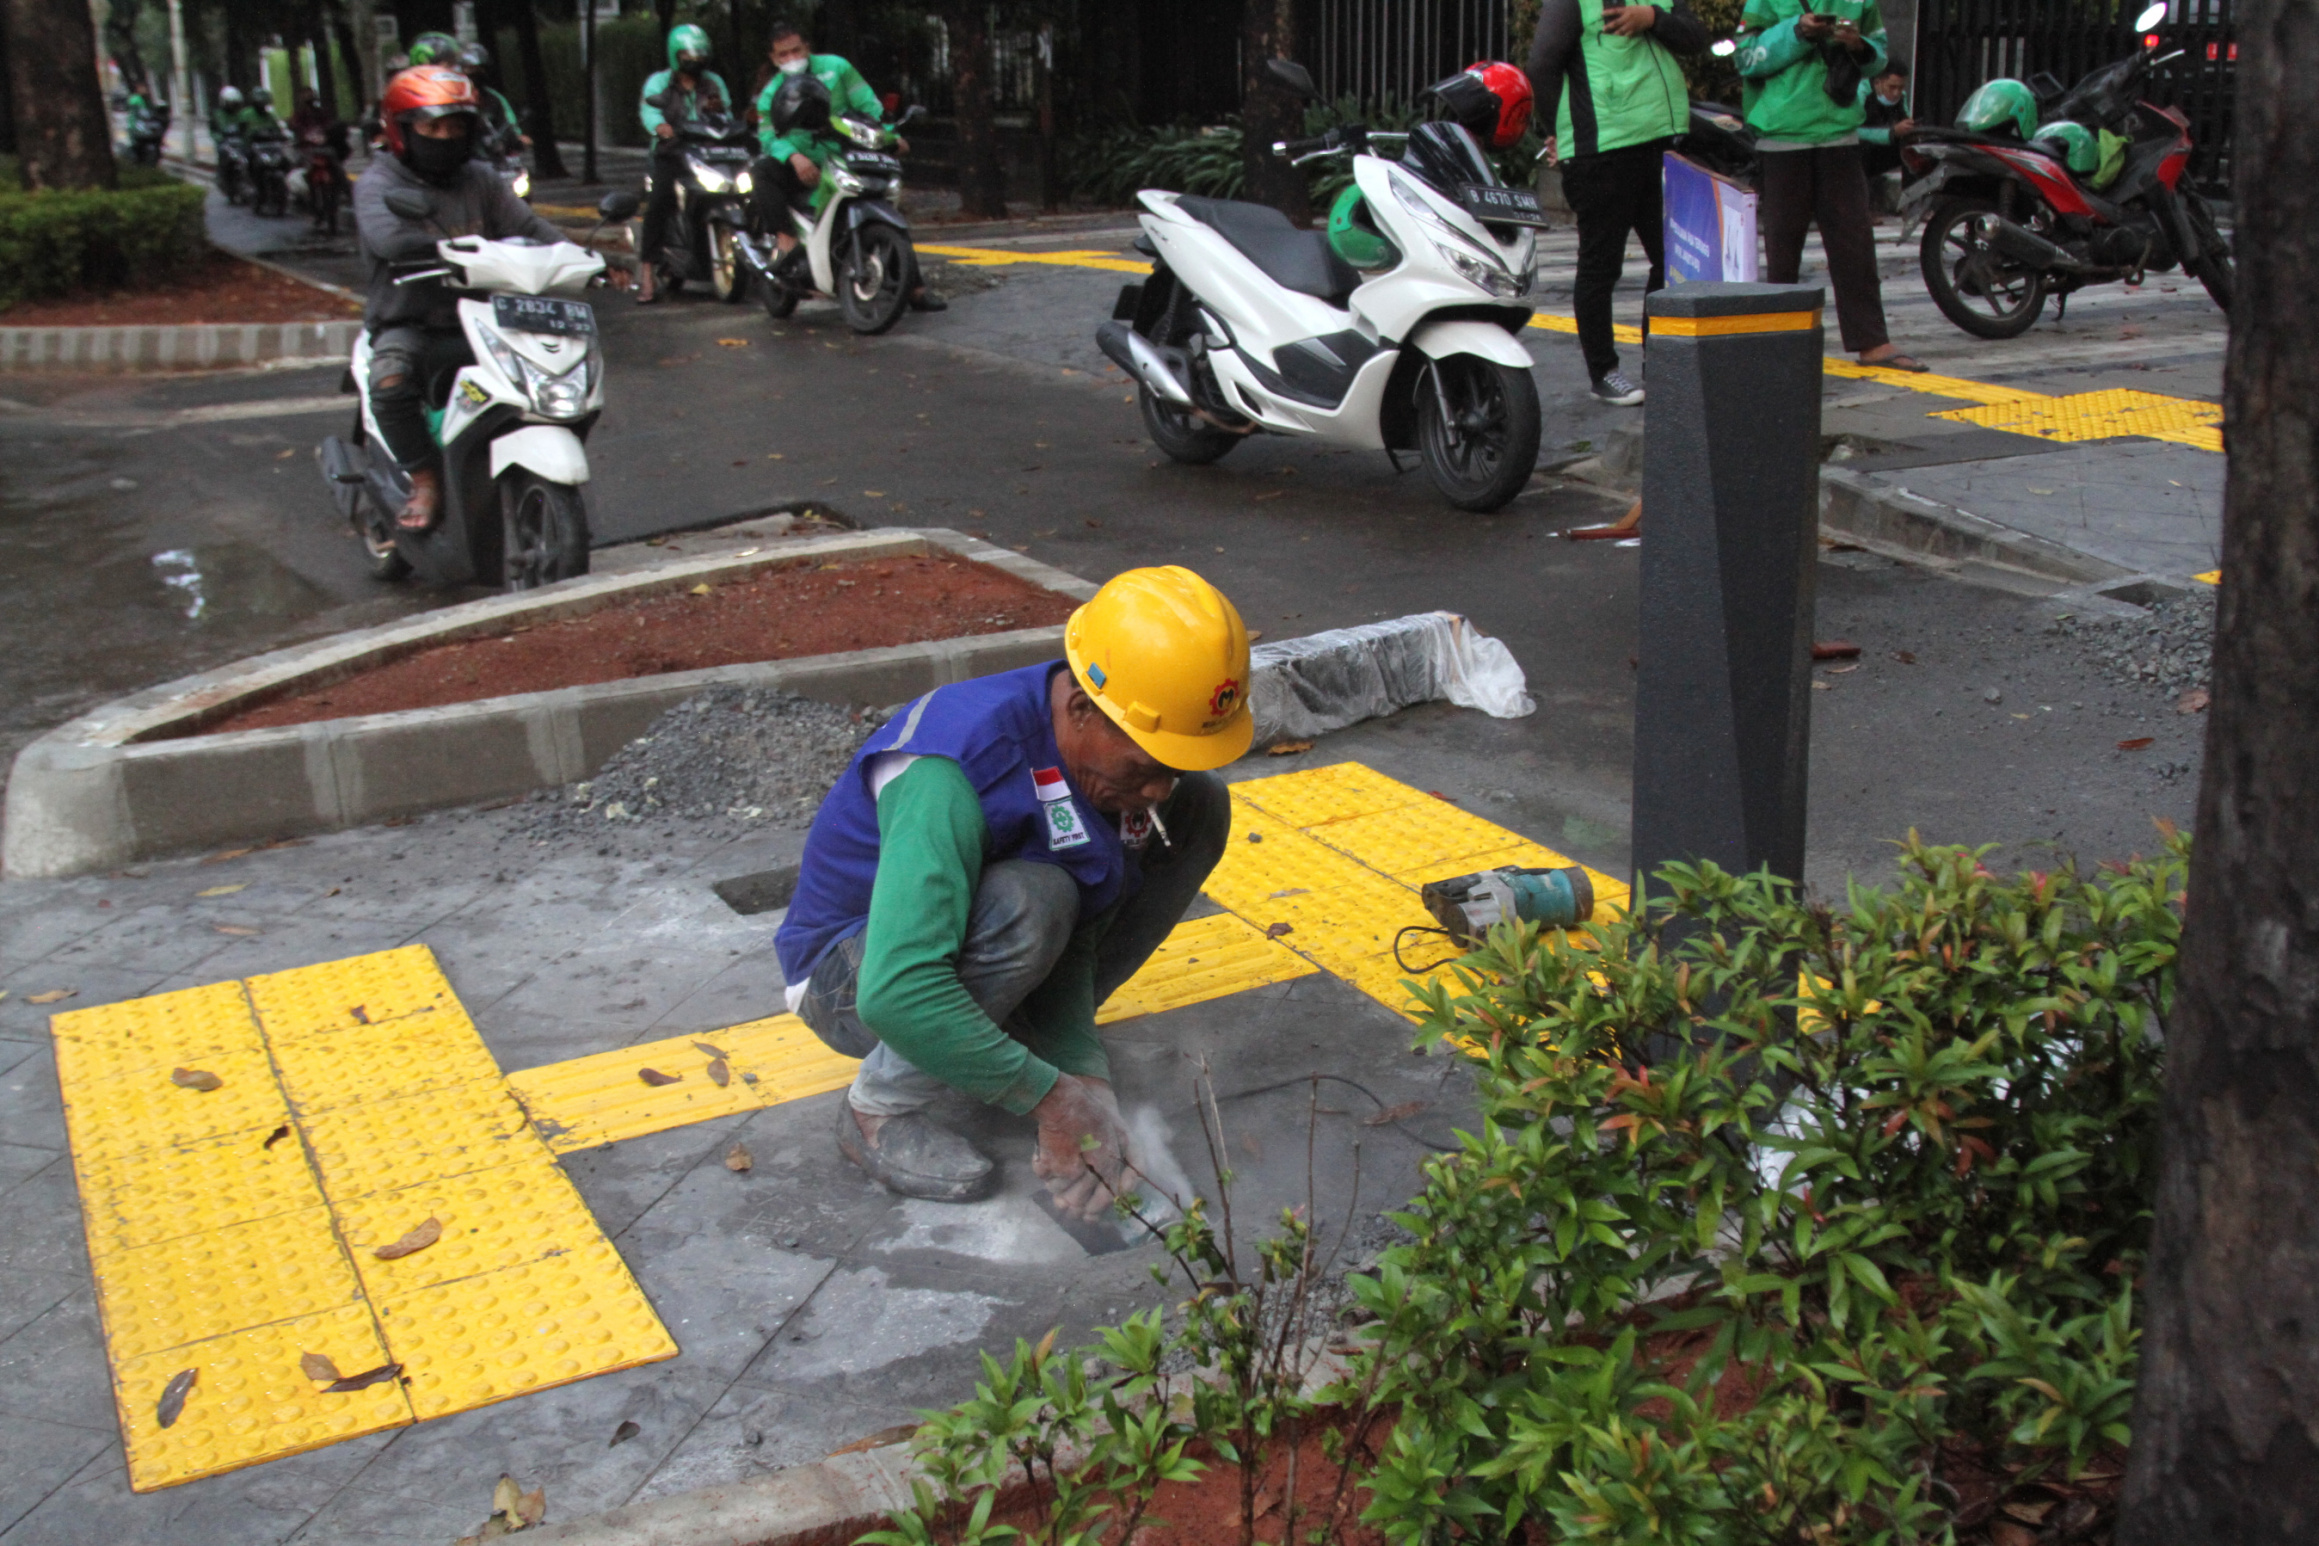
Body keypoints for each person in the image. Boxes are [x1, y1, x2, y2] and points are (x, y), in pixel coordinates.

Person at [776, 566, 1250, 1210]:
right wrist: (1053, 1102)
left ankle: (1007, 1044)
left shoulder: (1097, 749)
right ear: (1082, 708)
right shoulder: (952, 771)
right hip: (851, 978)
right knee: (1035, 899)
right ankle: (877, 1109)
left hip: (967, 941)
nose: (1157, 789)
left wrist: (1089, 1089)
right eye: (1144, 767)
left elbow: (1081, 927)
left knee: (1198, 809)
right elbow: (894, 993)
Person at [353, 66, 564, 531]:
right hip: (411, 320)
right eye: (432, 127)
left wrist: (578, 254)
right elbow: (388, 238)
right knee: (389, 381)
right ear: (402, 129)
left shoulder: (482, 179)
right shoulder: (379, 182)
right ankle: (424, 478)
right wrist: (448, 247)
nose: (445, 136)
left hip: (488, 315)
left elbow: (528, 227)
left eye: (455, 126)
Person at [1526, 0, 1710, 406]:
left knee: (1670, 260)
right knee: (1600, 265)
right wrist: (1558, 125)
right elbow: (1541, 65)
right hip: (1601, 149)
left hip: (1658, 139)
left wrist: (1653, 18)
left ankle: (1659, 364)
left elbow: (1696, 38)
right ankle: (1604, 372)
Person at [1735, 0, 1925, 370]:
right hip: (1783, 135)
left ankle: (1872, 341)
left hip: (1840, 135)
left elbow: (1879, 59)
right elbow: (1745, 58)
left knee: (1855, 244)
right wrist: (1797, 32)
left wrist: (1857, 45)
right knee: (1783, 249)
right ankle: (1781, 342)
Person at [749, 18, 943, 310]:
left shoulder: (837, 68)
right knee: (761, 171)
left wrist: (892, 136)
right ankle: (785, 237)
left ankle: (914, 287)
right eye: (783, 55)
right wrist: (794, 156)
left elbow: (868, 105)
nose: (791, 59)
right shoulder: (770, 92)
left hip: (843, 149)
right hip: (799, 160)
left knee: (884, 205)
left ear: (807, 48)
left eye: (796, 51)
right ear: (773, 58)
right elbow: (767, 136)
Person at [633, 23, 733, 304]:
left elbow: (725, 110)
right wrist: (661, 127)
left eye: (701, 55)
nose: (696, 61)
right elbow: (649, 112)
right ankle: (647, 273)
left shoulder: (714, 82)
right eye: (690, 56)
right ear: (676, 55)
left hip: (708, 153)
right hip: (671, 154)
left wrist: (722, 114)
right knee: (658, 203)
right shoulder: (659, 83)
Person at [459, 42, 530, 156]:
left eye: (480, 69)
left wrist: (518, 139)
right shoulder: (450, 98)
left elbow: (509, 126)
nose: (475, 74)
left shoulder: (494, 99)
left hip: (491, 158)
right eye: (470, 69)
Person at [1859, 61, 1912, 178]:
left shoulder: (1901, 97)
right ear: (1878, 82)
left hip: (1884, 156)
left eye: (1900, 87)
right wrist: (1891, 133)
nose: (1896, 93)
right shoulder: (1861, 93)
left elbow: (1905, 118)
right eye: (1891, 87)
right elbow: (1853, 131)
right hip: (1860, 155)